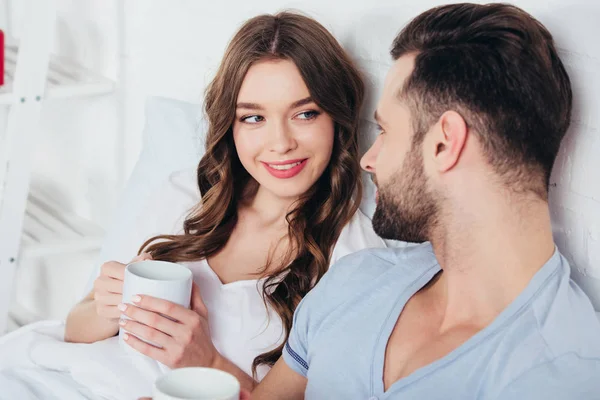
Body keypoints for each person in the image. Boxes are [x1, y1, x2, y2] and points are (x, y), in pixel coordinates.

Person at [250, 3, 600, 399]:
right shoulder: (354, 281)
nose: (369, 159)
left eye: (385, 130)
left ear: (444, 143)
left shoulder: (565, 375)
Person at [58, 10, 384, 393]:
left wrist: (206, 361)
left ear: (338, 118)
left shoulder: (355, 261)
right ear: (230, 125)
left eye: (305, 113)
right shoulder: (186, 195)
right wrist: (106, 309)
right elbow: (73, 329)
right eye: (253, 118)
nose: (280, 143)